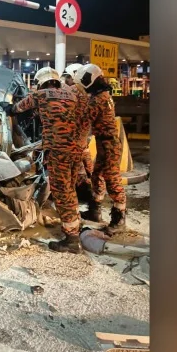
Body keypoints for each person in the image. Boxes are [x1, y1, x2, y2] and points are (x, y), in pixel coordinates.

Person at [1, 67, 88, 253]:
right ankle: (75, 225)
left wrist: (8, 107)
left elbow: (17, 108)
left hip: (59, 151)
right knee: (70, 189)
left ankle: (71, 239)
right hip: (76, 151)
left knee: (62, 192)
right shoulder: (73, 95)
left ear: (40, 81)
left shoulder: (40, 95)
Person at [73, 63, 127, 235]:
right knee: (97, 175)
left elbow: (82, 121)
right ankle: (95, 211)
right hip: (104, 142)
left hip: (108, 143)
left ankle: (119, 219)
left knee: (112, 179)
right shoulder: (104, 95)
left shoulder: (97, 100)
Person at [62, 63, 95, 193]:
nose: (66, 80)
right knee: (86, 160)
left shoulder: (74, 90)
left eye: (68, 78)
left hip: (74, 135)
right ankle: (94, 191)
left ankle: (82, 188)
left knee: (76, 165)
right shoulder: (90, 92)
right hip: (84, 134)